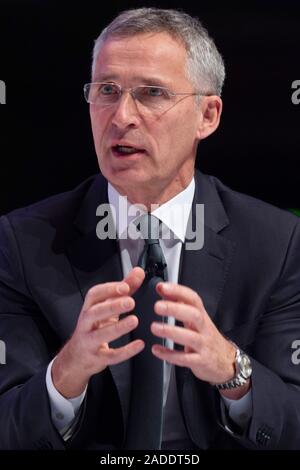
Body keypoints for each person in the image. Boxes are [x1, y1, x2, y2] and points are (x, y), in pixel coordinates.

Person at [0, 7, 300, 451]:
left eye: (152, 93)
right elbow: (7, 428)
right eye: (107, 90)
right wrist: (67, 372)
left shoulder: (276, 243)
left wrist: (231, 369)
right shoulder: (23, 242)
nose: (122, 116)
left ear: (208, 115)